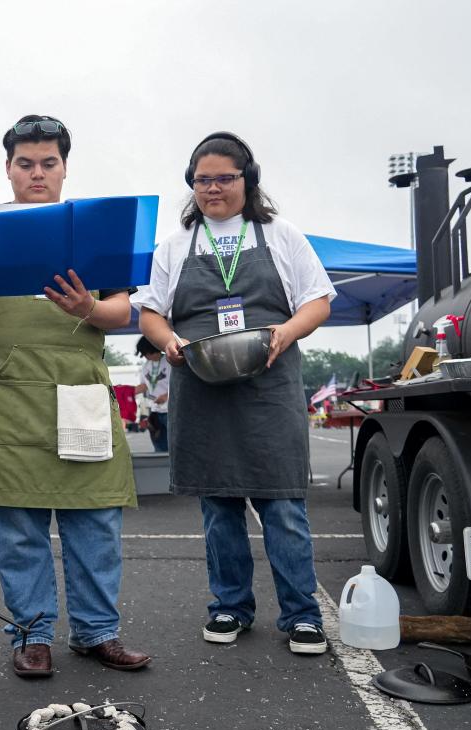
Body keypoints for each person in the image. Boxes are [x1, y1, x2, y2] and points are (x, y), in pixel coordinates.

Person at [0, 115, 150, 679]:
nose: (36, 173)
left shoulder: (95, 225)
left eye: (48, 163)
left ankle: (98, 632)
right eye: (25, 163)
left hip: (77, 392)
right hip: (3, 401)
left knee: (95, 523)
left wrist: (88, 309)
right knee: (19, 530)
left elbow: (123, 310)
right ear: (8, 168)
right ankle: (31, 635)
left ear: (63, 168)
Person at [133, 131, 336, 655]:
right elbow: (150, 312)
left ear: (249, 180)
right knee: (219, 506)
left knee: (283, 506)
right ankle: (229, 607)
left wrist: (285, 333)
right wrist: (171, 341)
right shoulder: (176, 246)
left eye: (224, 178)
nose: (213, 188)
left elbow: (317, 301)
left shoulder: (281, 235)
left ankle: (301, 614)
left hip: (269, 387)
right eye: (203, 180)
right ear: (191, 185)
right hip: (201, 387)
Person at [134, 336, 170, 453]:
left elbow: (180, 385)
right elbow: (144, 386)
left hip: (171, 411)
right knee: (159, 446)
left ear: (154, 349)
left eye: (146, 353)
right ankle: (162, 469)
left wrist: (166, 396)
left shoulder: (170, 362)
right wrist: (124, 392)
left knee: (176, 445)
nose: (145, 357)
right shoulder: (146, 366)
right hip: (155, 412)